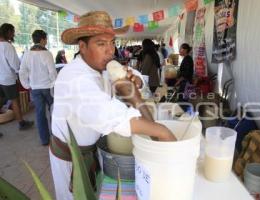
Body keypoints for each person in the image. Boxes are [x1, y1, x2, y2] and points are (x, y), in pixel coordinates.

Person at [49, 11, 176, 200]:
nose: (110, 50)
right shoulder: (75, 78)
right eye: (101, 44)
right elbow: (116, 119)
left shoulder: (99, 68)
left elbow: (135, 73)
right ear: (82, 46)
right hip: (72, 159)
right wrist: (163, 132)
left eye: (112, 43)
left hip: (92, 150)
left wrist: (136, 81)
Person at [19, 30, 57, 145]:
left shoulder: (27, 54)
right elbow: (52, 72)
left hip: (35, 88)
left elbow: (22, 71)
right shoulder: (46, 54)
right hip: (48, 87)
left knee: (40, 114)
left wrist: (27, 85)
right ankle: (56, 137)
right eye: (45, 39)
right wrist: (54, 83)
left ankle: (44, 140)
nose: (46, 41)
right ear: (42, 40)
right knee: (54, 112)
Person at [0, 23, 33, 130]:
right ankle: (21, 123)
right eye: (13, 32)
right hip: (8, 79)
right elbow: (15, 65)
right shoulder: (8, 46)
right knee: (15, 101)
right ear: (8, 32)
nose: (13, 34)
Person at [175, 43, 194, 111]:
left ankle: (183, 114)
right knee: (182, 99)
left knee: (182, 100)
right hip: (184, 82)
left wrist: (178, 81)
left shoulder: (188, 59)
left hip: (185, 83)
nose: (179, 50)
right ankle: (182, 113)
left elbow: (186, 73)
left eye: (181, 49)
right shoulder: (186, 58)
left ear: (185, 50)